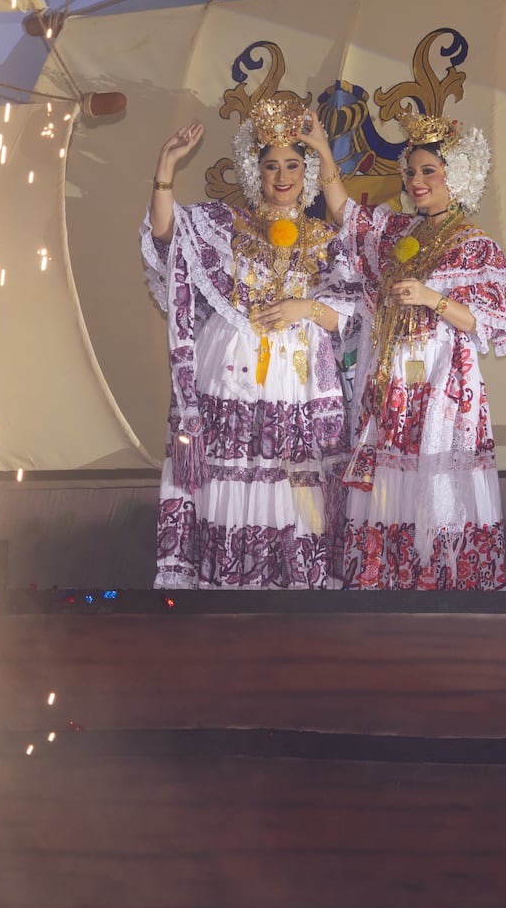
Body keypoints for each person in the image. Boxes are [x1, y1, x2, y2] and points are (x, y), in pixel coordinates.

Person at [303, 109, 506, 590]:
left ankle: (445, 590)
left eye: (429, 171)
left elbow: (488, 321)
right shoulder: (397, 232)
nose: (416, 181)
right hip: (391, 383)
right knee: (391, 484)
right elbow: (345, 213)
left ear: (458, 175)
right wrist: (322, 149)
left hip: (442, 381)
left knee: (435, 482)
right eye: (410, 172)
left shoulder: (474, 244)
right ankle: (388, 586)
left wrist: (433, 298)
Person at [141, 97, 355, 589]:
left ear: (307, 172)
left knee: (294, 484)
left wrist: (305, 308)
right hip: (229, 377)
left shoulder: (327, 239)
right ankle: (225, 591)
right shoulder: (225, 225)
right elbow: (166, 236)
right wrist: (165, 169)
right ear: (255, 171)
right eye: (271, 165)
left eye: (293, 165)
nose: (282, 176)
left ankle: (295, 593)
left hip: (298, 384)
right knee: (227, 478)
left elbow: (350, 315)